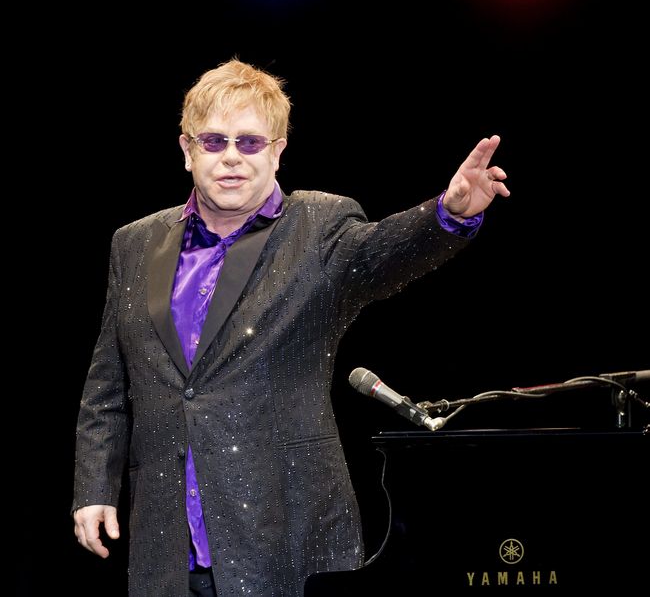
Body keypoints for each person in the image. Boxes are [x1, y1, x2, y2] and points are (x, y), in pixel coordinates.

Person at [72, 58, 510, 597]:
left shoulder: (317, 226)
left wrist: (448, 214)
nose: (231, 157)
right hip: (166, 541)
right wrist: (94, 486)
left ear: (277, 151)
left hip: (285, 531)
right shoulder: (135, 243)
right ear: (187, 150)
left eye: (250, 142)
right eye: (214, 141)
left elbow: (382, 254)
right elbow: (108, 384)